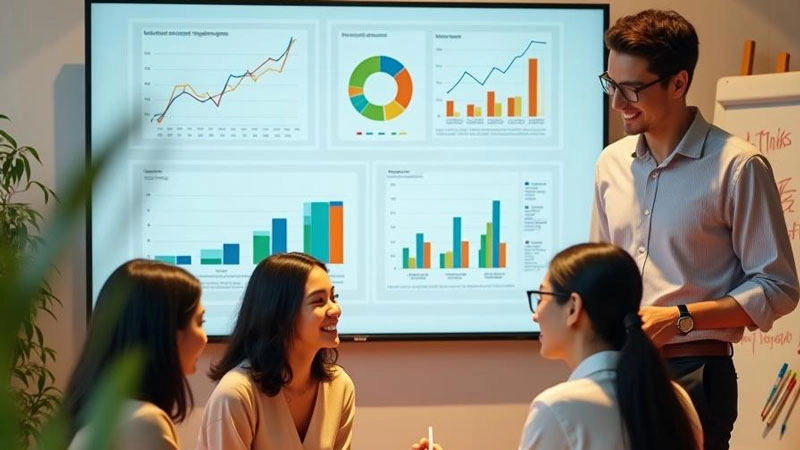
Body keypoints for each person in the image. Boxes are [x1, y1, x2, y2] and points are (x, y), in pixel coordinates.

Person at [590, 9, 800, 450]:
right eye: (611, 84)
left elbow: (779, 286)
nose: (616, 103)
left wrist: (682, 319)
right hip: (621, 367)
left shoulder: (737, 167)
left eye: (630, 88)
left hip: (698, 373)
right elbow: (601, 274)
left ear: (678, 83)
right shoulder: (610, 163)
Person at [412, 243, 703, 450]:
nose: (535, 314)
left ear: (573, 307)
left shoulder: (558, 408)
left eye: (541, 297)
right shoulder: (675, 399)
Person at [197, 252, 354, 450]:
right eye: (319, 301)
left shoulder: (340, 385)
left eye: (333, 297)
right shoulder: (236, 394)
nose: (335, 310)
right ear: (280, 315)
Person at [64, 259, 208, 450]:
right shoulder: (144, 422)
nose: (204, 338)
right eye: (199, 322)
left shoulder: (106, 415)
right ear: (165, 331)